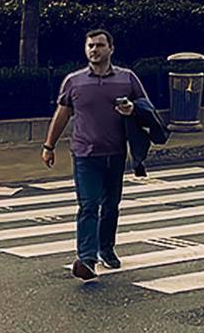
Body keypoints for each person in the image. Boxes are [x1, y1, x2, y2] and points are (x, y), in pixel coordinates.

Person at [41, 29, 150, 281]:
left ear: (111, 48)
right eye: (90, 45)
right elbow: (62, 114)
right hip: (85, 153)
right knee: (88, 205)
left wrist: (132, 108)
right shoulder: (74, 81)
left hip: (115, 152)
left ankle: (106, 248)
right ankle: (86, 258)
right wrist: (49, 146)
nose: (94, 50)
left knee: (110, 205)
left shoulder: (127, 78)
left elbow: (146, 108)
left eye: (100, 45)